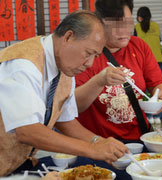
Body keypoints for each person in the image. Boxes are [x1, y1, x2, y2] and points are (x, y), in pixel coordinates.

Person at [0, 10, 129, 176]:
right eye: (88, 53)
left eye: (95, 56)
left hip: (18, 163)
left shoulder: (64, 66)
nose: (89, 64)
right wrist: (92, 149)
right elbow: (27, 131)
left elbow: (65, 121)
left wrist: (99, 142)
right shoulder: (23, 64)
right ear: (68, 37)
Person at [75, 0, 162, 141]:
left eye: (127, 23)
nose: (124, 31)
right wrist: (99, 81)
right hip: (101, 144)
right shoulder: (86, 52)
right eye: (115, 25)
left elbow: (159, 84)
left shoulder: (139, 46)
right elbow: (74, 105)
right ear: (99, 24)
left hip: (140, 140)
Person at [134, 6, 162, 124]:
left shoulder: (137, 27)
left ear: (139, 17)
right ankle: (157, 117)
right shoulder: (156, 26)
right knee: (157, 92)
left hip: (142, 62)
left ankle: (148, 117)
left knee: (143, 92)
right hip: (158, 60)